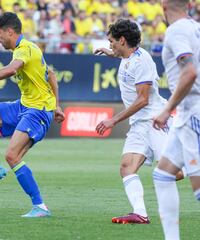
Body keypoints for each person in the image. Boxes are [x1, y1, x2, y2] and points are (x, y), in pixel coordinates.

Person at [0, 12, 65, 217]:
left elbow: (11, 70)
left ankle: (40, 206)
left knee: (12, 155)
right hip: (24, 105)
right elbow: (51, 75)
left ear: (10, 31)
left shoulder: (24, 49)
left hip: (37, 111)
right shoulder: (25, 49)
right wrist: (58, 105)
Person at [94, 19, 170, 224]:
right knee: (127, 166)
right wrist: (111, 53)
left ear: (122, 40)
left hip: (156, 120)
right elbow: (122, 55)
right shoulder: (127, 56)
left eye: (112, 41)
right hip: (139, 124)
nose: (110, 44)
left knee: (175, 172)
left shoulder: (141, 61)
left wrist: (114, 120)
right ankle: (140, 214)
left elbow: (143, 99)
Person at [152, 0, 200, 239]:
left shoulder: (176, 30)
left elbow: (190, 72)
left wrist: (166, 108)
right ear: (190, 4)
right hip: (187, 115)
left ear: (163, 5)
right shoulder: (195, 27)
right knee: (162, 175)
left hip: (193, 112)